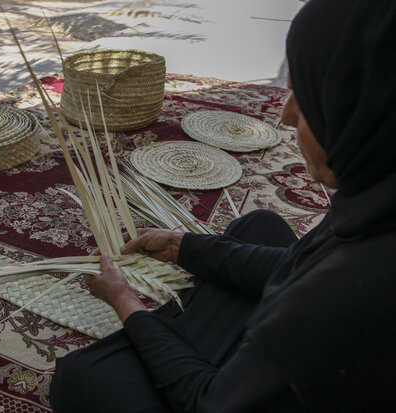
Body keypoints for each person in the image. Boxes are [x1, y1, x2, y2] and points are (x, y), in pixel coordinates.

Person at [49, 0, 396, 411]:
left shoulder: (349, 289)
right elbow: (300, 266)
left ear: (360, 112)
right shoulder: (377, 201)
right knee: (260, 225)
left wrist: (127, 304)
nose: (285, 116)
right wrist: (184, 247)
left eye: (308, 98)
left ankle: (176, 327)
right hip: (296, 343)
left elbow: (209, 404)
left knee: (81, 379)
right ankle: (186, 320)